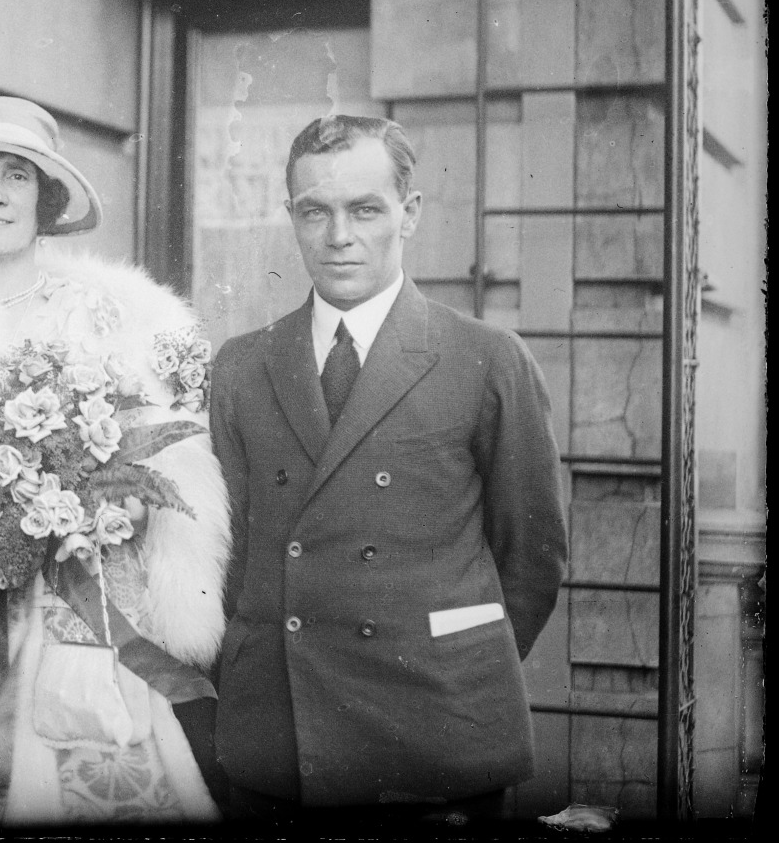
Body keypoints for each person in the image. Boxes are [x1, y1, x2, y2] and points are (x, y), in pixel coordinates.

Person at [0, 94, 230, 825]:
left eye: (17, 175)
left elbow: (173, 464)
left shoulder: (113, 318)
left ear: (46, 198)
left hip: (88, 622)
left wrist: (116, 506)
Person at [210, 114, 567, 826]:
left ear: (409, 215)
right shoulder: (242, 365)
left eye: (365, 209)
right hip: (281, 731)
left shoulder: (486, 358)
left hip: (433, 728)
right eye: (315, 211)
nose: (338, 235)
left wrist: (455, 665)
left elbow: (532, 559)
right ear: (291, 217)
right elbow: (229, 553)